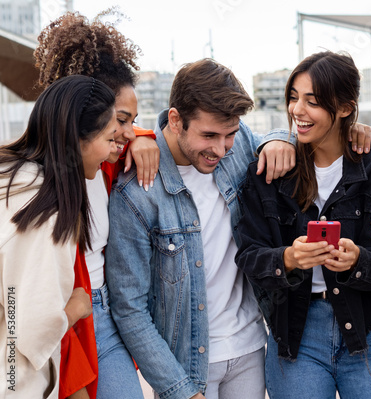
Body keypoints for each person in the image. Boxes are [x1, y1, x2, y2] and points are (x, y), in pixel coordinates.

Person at [104, 57, 300, 399]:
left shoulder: (236, 147)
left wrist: (279, 139)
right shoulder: (135, 192)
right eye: (209, 135)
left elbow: (278, 140)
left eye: (230, 135)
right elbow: (128, 307)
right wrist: (179, 389)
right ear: (176, 120)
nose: (220, 149)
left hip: (251, 348)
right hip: (186, 364)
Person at [235, 51, 371, 399]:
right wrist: (288, 259)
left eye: (312, 102)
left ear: (345, 108)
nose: (297, 110)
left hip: (367, 329)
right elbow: (248, 256)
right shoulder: (269, 171)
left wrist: (357, 261)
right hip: (296, 333)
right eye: (294, 98)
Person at [34, 10, 159, 399]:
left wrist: (141, 135)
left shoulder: (107, 164)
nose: (122, 134)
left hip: (107, 315)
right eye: (119, 121)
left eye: (130, 121)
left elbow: (160, 139)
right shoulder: (38, 182)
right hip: (64, 320)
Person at [0, 75, 115, 398]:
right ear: (78, 141)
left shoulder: (12, 177)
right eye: (108, 139)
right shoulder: (47, 215)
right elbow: (33, 332)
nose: (110, 151)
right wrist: (77, 308)